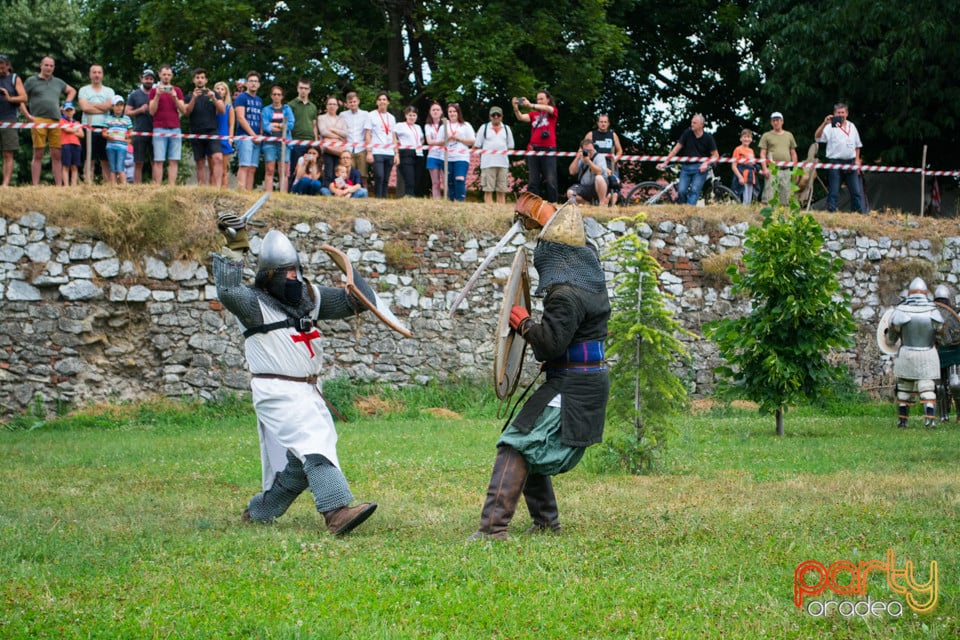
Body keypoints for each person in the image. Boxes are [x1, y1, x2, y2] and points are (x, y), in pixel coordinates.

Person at [212, 230, 378, 535]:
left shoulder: (308, 298)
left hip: (309, 390)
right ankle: (337, 511)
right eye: (287, 272)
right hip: (277, 390)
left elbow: (359, 302)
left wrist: (351, 273)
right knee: (314, 444)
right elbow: (227, 291)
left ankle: (262, 510)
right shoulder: (253, 305)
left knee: (304, 459)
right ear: (269, 276)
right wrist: (234, 248)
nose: (294, 277)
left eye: (296, 270)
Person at [468, 200, 610, 540]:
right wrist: (536, 208)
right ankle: (546, 523)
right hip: (580, 378)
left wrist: (526, 324)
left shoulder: (565, 295)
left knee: (516, 443)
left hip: (574, 385)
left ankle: (492, 529)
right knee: (528, 442)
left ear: (553, 257)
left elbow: (549, 345)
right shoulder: (592, 284)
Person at [883, 278, 943, 429]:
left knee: (904, 389)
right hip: (928, 354)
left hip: (907, 354)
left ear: (909, 293)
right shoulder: (933, 310)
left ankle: (902, 420)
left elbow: (891, 339)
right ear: (924, 293)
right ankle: (930, 420)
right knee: (927, 389)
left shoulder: (901, 311)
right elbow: (943, 336)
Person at [23, 56, 76, 186]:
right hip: (38, 119)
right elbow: (21, 98)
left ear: (54, 68)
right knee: (38, 152)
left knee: (57, 154)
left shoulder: (58, 82)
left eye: (51, 66)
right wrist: (27, 115)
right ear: (41, 65)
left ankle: (58, 185)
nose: (48, 68)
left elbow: (72, 91)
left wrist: (65, 104)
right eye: (46, 65)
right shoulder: (31, 81)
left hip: (56, 119)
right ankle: (35, 185)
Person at [656, 114, 719, 205]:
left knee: (694, 190)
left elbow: (715, 155)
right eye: (692, 122)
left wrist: (706, 163)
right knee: (681, 191)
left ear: (701, 125)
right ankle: (684, 209)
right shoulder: (687, 133)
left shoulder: (708, 138)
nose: (692, 124)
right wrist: (665, 163)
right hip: (686, 167)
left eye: (694, 123)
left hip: (700, 168)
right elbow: (676, 149)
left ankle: (688, 211)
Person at [814, 102, 864, 213]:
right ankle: (831, 212)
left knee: (855, 191)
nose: (841, 115)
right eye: (838, 113)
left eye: (843, 112)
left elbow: (857, 145)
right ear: (834, 114)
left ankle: (858, 214)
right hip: (835, 162)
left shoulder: (852, 126)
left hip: (850, 162)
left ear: (847, 113)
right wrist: (824, 123)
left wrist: (857, 160)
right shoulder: (831, 126)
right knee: (834, 190)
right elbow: (817, 137)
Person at [513, 90, 559, 202]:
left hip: (548, 150)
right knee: (533, 180)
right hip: (534, 149)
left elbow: (550, 109)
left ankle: (553, 203)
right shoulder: (533, 114)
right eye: (538, 99)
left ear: (548, 100)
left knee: (550, 179)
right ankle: (533, 204)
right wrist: (515, 108)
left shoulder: (552, 111)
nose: (539, 101)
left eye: (542, 99)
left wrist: (531, 105)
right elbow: (521, 117)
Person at [184, 68, 225, 187]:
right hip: (196, 131)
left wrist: (214, 98)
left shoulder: (214, 94)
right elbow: (186, 112)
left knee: (218, 158)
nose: (200, 80)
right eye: (197, 78)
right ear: (194, 80)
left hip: (212, 131)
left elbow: (222, 110)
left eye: (202, 77)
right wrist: (193, 98)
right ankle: (202, 187)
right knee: (200, 161)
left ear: (206, 80)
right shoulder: (189, 96)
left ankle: (217, 187)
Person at [147, 65, 186, 185]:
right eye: (164, 74)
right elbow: (151, 111)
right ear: (159, 75)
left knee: (174, 160)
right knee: (158, 160)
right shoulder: (154, 91)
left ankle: (171, 186)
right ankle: (157, 186)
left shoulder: (177, 90)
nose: (166, 77)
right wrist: (158, 95)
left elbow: (183, 110)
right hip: (159, 127)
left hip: (175, 128)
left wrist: (174, 97)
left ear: (172, 76)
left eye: (169, 75)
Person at [473, 105, 514, 204]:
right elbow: (477, 145)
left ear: (502, 116)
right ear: (490, 116)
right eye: (493, 115)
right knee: (488, 189)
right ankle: (489, 210)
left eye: (498, 115)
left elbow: (511, 146)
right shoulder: (484, 128)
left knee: (502, 190)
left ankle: (500, 211)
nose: (496, 117)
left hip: (503, 163)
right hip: (488, 163)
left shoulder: (506, 129)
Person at [758, 111, 798, 205]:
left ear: (782, 121)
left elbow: (793, 153)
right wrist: (764, 169)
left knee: (786, 197)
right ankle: (764, 216)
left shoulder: (789, 135)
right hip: (772, 169)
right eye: (774, 120)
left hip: (786, 169)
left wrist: (795, 170)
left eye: (778, 120)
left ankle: (783, 217)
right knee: (768, 196)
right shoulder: (766, 135)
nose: (776, 122)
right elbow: (762, 153)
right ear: (771, 122)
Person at [933, 285, 960, 423]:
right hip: (937, 352)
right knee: (939, 387)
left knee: (955, 383)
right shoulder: (931, 313)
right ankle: (943, 416)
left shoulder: (957, 313)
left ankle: (959, 414)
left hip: (954, 351)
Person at [364, 91, 398, 199]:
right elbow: (368, 134)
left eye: (384, 99)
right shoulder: (371, 115)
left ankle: (384, 199)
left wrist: (396, 153)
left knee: (386, 178)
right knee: (379, 176)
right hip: (377, 151)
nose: (382, 101)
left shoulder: (392, 118)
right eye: (380, 99)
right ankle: (377, 198)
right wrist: (369, 151)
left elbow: (394, 136)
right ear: (376, 102)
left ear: (388, 102)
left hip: (389, 152)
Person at [261, 85, 294, 193]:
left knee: (283, 171)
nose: (276, 96)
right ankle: (268, 194)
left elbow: (290, 125)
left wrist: (275, 125)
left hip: (284, 143)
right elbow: (266, 126)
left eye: (279, 94)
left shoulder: (287, 109)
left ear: (282, 96)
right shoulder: (266, 110)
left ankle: (283, 194)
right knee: (269, 169)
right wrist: (280, 125)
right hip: (270, 142)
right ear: (271, 96)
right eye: (274, 94)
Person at [0, 54, 27, 187]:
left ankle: (5, 183)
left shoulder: (14, 78)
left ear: (8, 66)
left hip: (8, 118)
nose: (0, 69)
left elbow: (24, 97)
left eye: (2, 66)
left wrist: (10, 98)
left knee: (8, 152)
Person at [584, 114, 623, 205]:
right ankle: (599, 201)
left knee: (615, 182)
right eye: (601, 122)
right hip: (596, 162)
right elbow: (583, 148)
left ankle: (611, 201)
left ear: (608, 123)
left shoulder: (612, 135)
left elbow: (620, 150)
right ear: (597, 123)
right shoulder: (591, 134)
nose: (603, 124)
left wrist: (615, 159)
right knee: (598, 179)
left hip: (610, 163)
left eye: (605, 122)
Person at [234, 71, 263, 190]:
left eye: (256, 81)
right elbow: (240, 117)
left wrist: (260, 134)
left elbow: (260, 118)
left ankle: (249, 192)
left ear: (259, 84)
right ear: (246, 83)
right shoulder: (241, 97)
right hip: (245, 136)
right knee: (244, 165)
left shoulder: (259, 100)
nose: (253, 84)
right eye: (251, 81)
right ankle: (241, 191)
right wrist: (252, 135)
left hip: (256, 137)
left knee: (253, 168)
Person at [287, 78, 318, 190]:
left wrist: (315, 141)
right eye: (301, 88)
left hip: (309, 143)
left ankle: (306, 191)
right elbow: (288, 125)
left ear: (309, 90)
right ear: (297, 89)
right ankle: (291, 191)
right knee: (295, 167)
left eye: (306, 88)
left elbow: (314, 125)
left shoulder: (313, 107)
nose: (303, 91)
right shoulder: (291, 105)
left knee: (309, 165)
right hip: (296, 141)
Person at [125, 69, 155, 183]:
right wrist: (140, 110)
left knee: (155, 161)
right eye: (146, 78)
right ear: (141, 79)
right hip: (139, 131)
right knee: (138, 161)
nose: (148, 81)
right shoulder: (134, 95)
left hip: (155, 130)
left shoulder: (157, 93)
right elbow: (127, 112)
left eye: (151, 79)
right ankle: (137, 186)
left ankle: (155, 186)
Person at [443, 102, 474, 202]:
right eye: (450, 112)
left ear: (458, 113)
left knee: (459, 178)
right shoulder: (444, 125)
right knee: (450, 181)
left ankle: (460, 201)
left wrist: (459, 139)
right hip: (448, 157)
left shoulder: (465, 125)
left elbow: (472, 141)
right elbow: (438, 142)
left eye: (454, 111)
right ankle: (453, 201)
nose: (452, 114)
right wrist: (446, 139)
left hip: (461, 156)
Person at [566, 138, 608, 205]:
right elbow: (572, 172)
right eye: (586, 150)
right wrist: (577, 158)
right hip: (584, 187)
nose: (589, 153)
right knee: (570, 193)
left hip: (598, 187)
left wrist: (588, 161)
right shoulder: (582, 157)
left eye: (591, 150)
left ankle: (602, 203)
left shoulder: (599, 156)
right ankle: (587, 204)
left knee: (599, 178)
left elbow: (599, 172)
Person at [316, 95, 347, 185]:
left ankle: (339, 191)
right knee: (328, 173)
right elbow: (323, 132)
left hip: (339, 151)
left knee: (339, 173)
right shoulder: (321, 118)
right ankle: (327, 192)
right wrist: (339, 137)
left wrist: (333, 130)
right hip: (328, 150)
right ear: (326, 106)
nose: (332, 106)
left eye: (334, 104)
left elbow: (345, 134)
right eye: (330, 104)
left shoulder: (341, 120)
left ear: (337, 106)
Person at [340, 91, 368, 187]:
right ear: (347, 103)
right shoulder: (342, 115)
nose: (352, 104)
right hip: (348, 148)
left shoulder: (365, 114)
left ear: (358, 101)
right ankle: (345, 195)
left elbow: (368, 132)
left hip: (361, 148)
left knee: (363, 175)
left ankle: (365, 195)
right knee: (346, 174)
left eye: (354, 101)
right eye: (350, 102)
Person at [103, 96, 132, 185]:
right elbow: (104, 131)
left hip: (122, 146)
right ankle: (113, 186)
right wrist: (107, 136)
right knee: (112, 167)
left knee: (120, 167)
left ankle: (124, 186)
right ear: (112, 106)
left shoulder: (127, 119)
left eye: (121, 105)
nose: (119, 107)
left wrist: (128, 137)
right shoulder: (108, 118)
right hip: (110, 146)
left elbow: (130, 131)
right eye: (117, 105)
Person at [395, 106, 423, 198]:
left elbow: (422, 139)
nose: (412, 117)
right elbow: (393, 134)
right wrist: (397, 142)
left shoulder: (418, 127)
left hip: (418, 153)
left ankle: (414, 195)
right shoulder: (400, 125)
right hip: (406, 153)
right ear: (406, 115)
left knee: (417, 178)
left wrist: (419, 144)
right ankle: (408, 195)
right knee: (409, 177)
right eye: (410, 115)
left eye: (414, 115)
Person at [213, 81, 235, 188]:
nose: (220, 91)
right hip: (212, 138)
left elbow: (231, 125)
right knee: (213, 168)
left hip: (224, 138)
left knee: (224, 169)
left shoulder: (229, 108)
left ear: (226, 92)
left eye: (222, 89)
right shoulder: (210, 105)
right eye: (218, 88)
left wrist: (230, 139)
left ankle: (224, 189)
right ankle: (212, 189)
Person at [424, 101, 446, 199]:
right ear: (430, 112)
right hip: (432, 156)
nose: (435, 112)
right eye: (433, 110)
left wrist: (436, 142)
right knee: (435, 182)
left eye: (437, 110)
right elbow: (429, 141)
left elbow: (447, 140)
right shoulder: (427, 126)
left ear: (441, 112)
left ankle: (448, 200)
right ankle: (436, 200)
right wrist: (441, 142)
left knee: (446, 181)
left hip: (444, 155)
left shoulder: (446, 124)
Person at [59, 102, 84, 187]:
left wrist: (73, 130)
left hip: (76, 145)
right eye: (67, 110)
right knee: (66, 165)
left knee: (74, 166)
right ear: (64, 112)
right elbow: (66, 130)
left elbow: (82, 134)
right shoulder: (62, 120)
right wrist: (76, 130)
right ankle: (66, 185)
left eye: (71, 110)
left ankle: (74, 185)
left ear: (74, 111)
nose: (69, 112)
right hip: (66, 144)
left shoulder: (77, 122)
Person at [731, 128, 758, 205]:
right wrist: (740, 177)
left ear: (751, 139)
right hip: (742, 176)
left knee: (749, 198)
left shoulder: (751, 151)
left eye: (748, 137)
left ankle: (747, 214)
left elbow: (753, 165)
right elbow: (734, 165)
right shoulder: (738, 149)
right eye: (745, 137)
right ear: (741, 139)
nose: (746, 139)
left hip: (750, 176)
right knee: (743, 197)